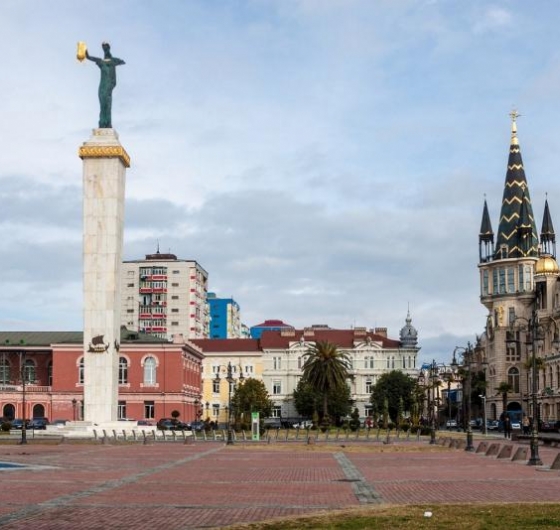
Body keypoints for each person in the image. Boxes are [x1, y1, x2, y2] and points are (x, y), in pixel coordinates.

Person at [86, 42, 126, 128]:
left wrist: (116, 62)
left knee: (108, 105)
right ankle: (102, 123)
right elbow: (89, 57)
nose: (105, 49)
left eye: (106, 47)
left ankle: (107, 123)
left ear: (109, 48)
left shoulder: (113, 60)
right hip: (102, 86)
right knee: (102, 104)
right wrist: (85, 53)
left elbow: (122, 62)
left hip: (109, 86)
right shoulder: (101, 61)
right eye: (104, 48)